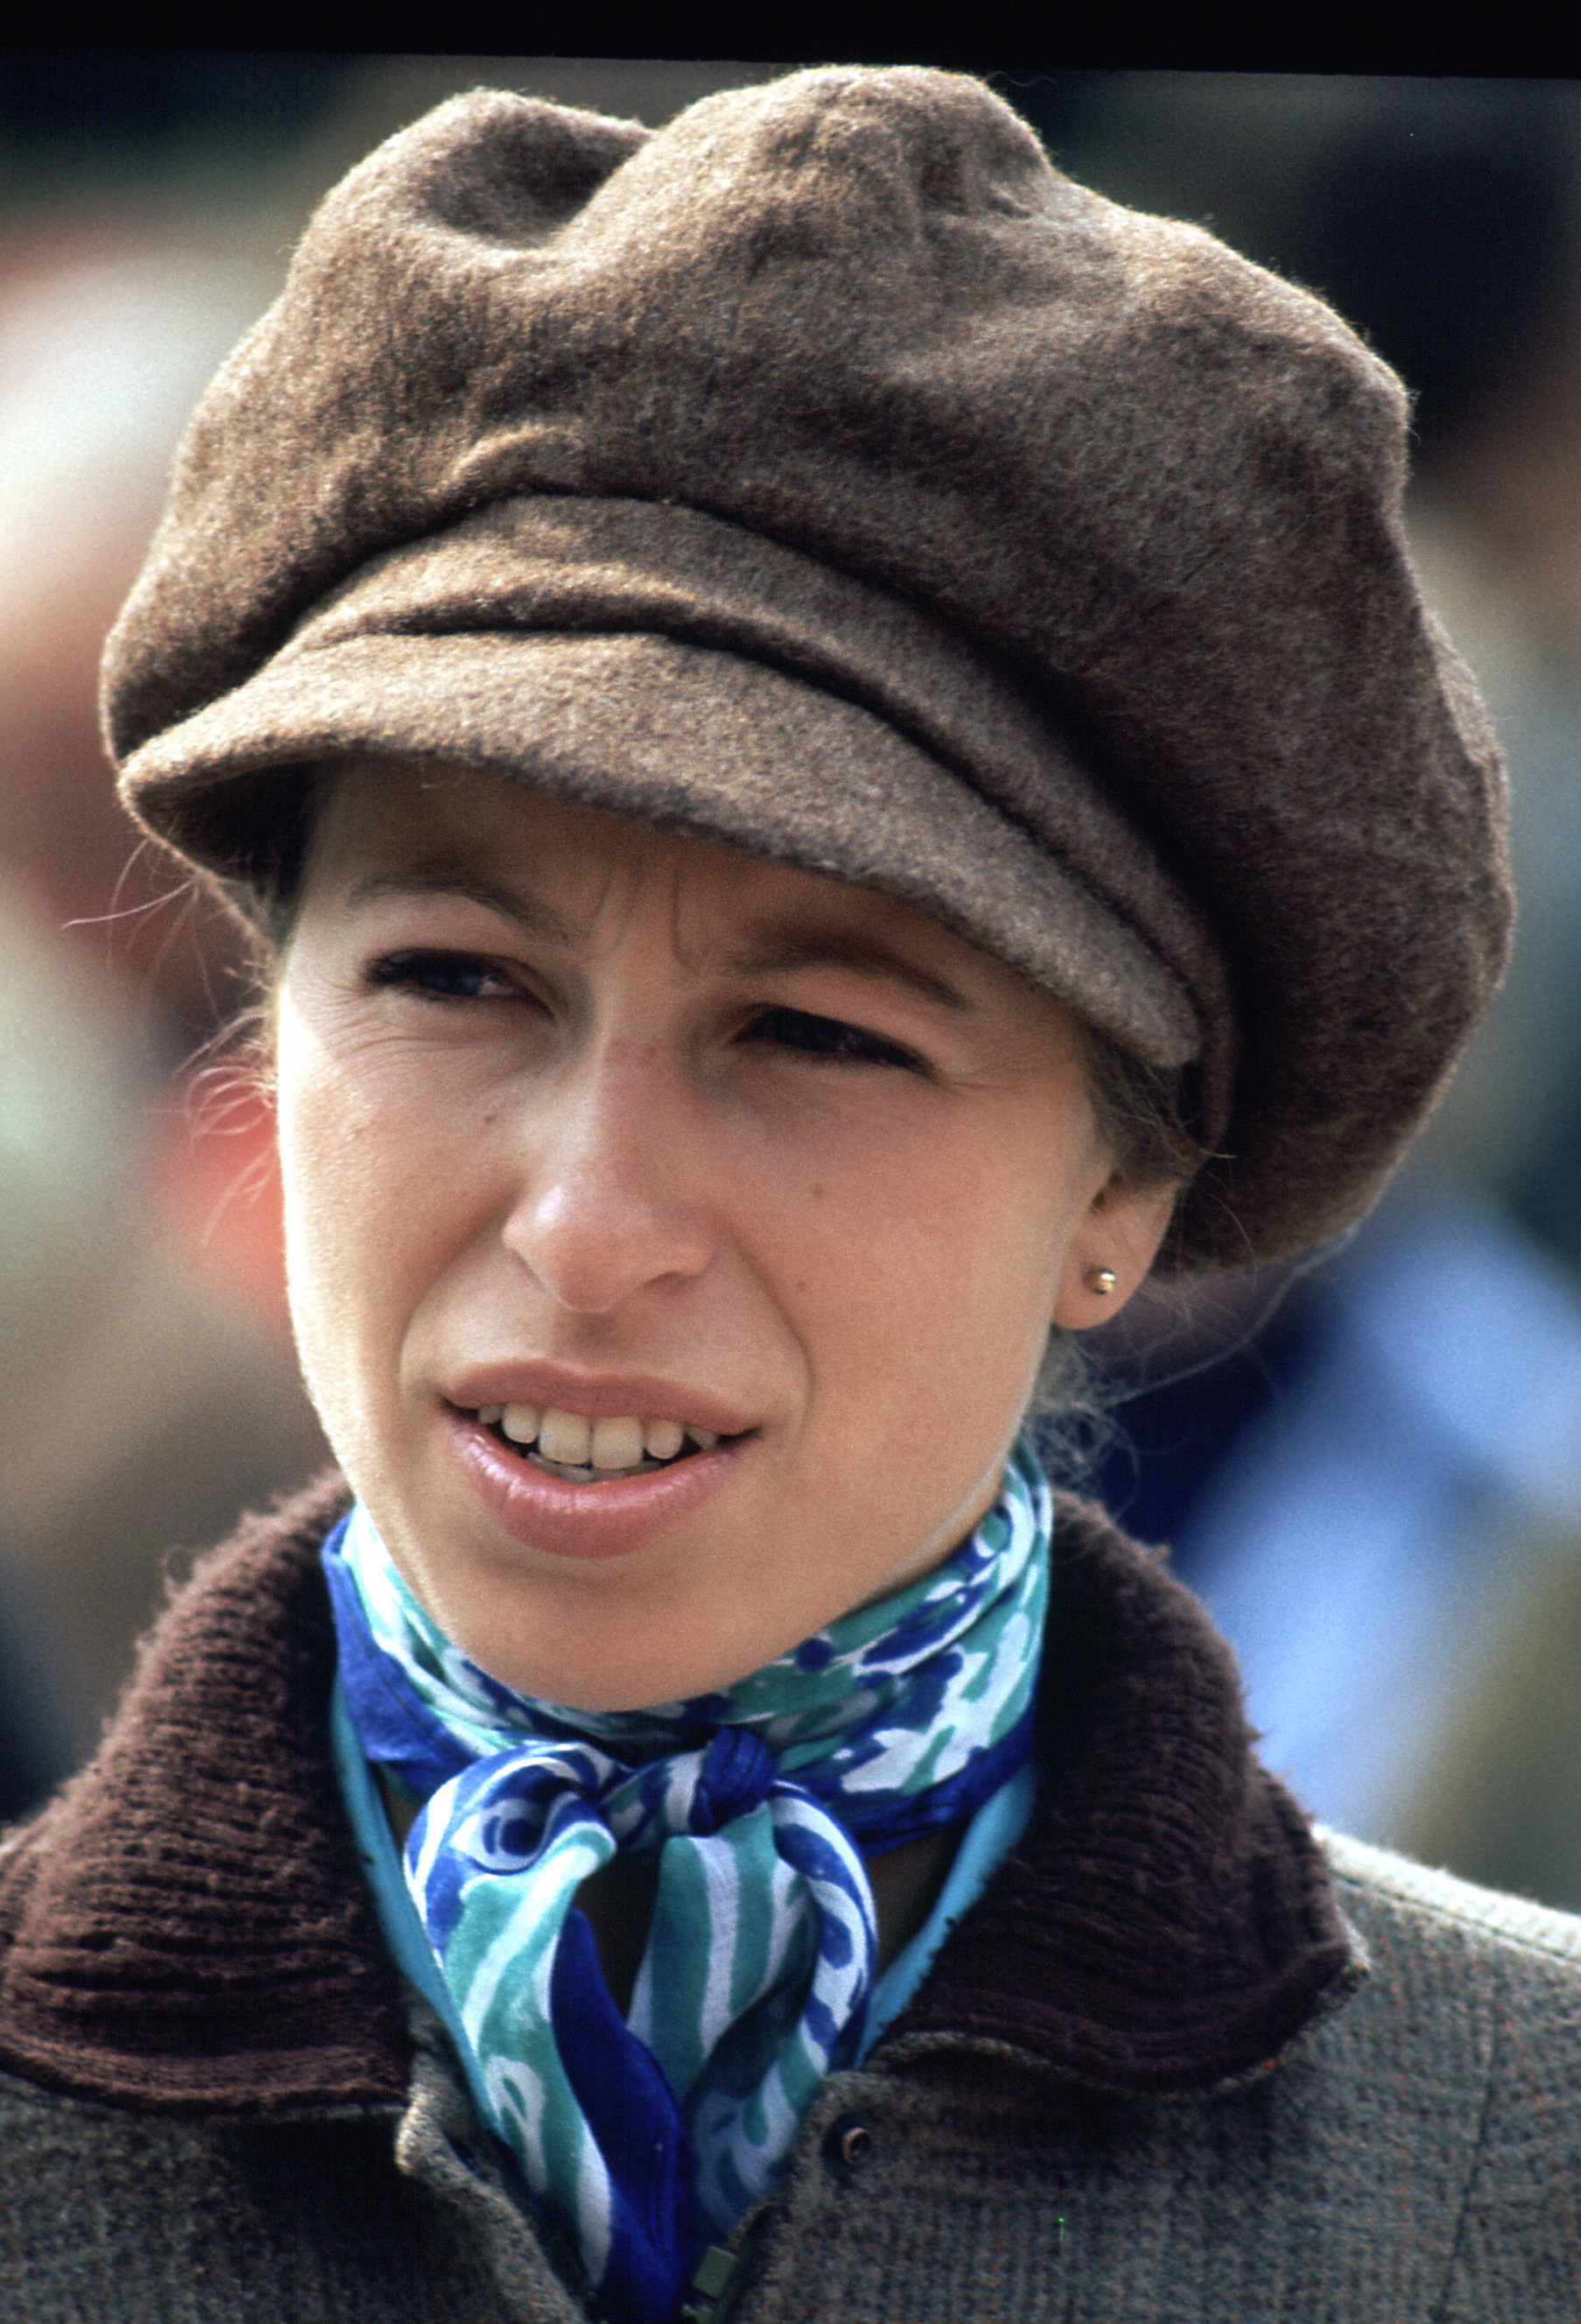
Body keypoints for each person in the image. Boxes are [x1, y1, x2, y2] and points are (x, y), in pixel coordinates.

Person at [0, 66, 1575, 2323]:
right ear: (265, 1017)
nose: (588, 1218)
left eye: (822, 1033)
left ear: (1127, 1182)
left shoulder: (1523, 2161)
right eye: (454, 978)